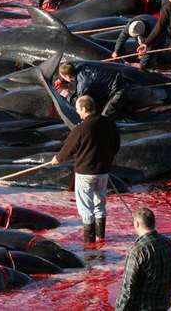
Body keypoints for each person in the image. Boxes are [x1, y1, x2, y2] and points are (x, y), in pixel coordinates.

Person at [51, 95, 120, 244]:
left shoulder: (81, 128)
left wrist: (57, 159)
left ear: (84, 108)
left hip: (85, 172)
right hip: (103, 171)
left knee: (85, 208)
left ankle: (89, 243)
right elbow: (116, 145)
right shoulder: (108, 123)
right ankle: (100, 237)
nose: (78, 113)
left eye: (78, 110)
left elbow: (69, 148)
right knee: (100, 204)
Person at [115, 208, 171, 310]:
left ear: (136, 224)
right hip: (164, 304)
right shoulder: (170, 244)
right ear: (153, 223)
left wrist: (119, 309)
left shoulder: (137, 250)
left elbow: (127, 288)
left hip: (143, 306)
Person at [58, 62, 127, 119]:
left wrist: (68, 96)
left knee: (104, 118)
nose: (63, 79)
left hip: (118, 90)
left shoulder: (83, 85)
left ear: (67, 76)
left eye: (63, 77)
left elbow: (82, 103)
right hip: (115, 79)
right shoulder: (82, 65)